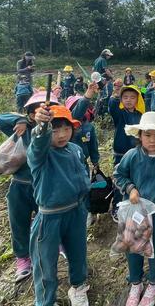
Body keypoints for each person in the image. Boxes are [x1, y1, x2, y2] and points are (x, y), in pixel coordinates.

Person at [114, 112, 155, 306]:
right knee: (133, 247)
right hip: (135, 212)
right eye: (148, 135)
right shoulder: (132, 156)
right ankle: (135, 282)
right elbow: (119, 175)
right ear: (139, 135)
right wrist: (130, 188)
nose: (152, 140)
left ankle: (154, 282)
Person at [28, 104, 91, 306]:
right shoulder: (42, 155)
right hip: (49, 216)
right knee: (45, 263)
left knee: (78, 253)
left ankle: (79, 287)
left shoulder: (75, 150)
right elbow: (38, 144)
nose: (62, 134)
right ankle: (46, 301)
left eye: (66, 128)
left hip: (76, 211)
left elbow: (82, 176)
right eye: (54, 130)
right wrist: (41, 128)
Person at [0, 91, 60, 283]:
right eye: (37, 110)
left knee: (48, 219)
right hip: (20, 185)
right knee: (19, 222)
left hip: (45, 185)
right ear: (32, 113)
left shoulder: (55, 130)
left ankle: (55, 247)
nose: (43, 113)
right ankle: (23, 258)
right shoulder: (24, 129)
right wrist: (22, 120)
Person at [109, 82, 145, 221]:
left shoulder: (139, 115)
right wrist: (115, 94)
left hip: (136, 153)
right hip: (121, 154)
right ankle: (116, 206)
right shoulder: (120, 113)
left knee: (134, 179)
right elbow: (112, 106)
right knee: (119, 180)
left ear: (137, 99)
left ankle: (131, 202)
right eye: (125, 97)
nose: (129, 100)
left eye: (132, 97)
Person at [65, 91, 100, 228]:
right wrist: (86, 98)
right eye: (77, 107)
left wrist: (95, 161)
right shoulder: (68, 126)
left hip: (82, 164)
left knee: (85, 188)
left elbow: (93, 146)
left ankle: (86, 213)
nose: (82, 111)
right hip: (67, 165)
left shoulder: (89, 127)